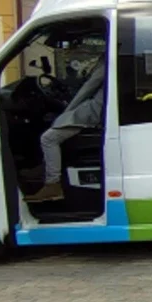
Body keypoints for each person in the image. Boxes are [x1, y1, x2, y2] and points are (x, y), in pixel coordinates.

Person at [25, 58, 106, 202]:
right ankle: (46, 167)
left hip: (93, 110)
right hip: (96, 109)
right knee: (55, 124)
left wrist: (68, 110)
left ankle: (52, 184)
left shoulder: (107, 61)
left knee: (48, 138)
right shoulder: (110, 58)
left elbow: (88, 88)